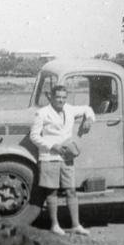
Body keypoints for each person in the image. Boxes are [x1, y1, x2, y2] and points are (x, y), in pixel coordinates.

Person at [30, 84, 95, 236]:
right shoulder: (42, 113)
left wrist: (89, 119)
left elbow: (87, 108)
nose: (60, 100)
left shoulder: (69, 109)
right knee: (51, 192)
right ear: (51, 97)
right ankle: (54, 225)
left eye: (63, 97)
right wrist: (53, 146)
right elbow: (34, 136)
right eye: (58, 97)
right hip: (49, 157)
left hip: (66, 157)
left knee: (71, 190)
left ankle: (76, 225)